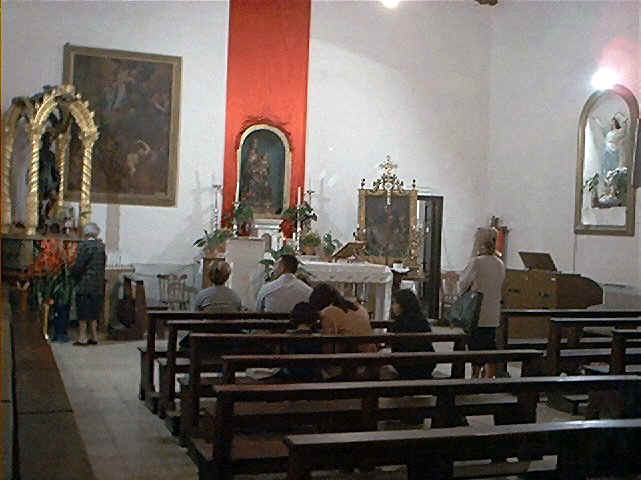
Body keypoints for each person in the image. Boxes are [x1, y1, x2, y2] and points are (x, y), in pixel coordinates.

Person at [458, 227, 505, 378]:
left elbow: (463, 283)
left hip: (477, 312)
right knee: (489, 343)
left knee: (475, 345)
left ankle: (475, 374)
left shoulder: (477, 262)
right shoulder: (499, 263)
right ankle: (490, 374)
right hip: (492, 311)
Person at [310, 283, 376, 379]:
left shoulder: (328, 312)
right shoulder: (359, 308)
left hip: (351, 358)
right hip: (369, 354)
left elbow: (328, 346)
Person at [70, 222, 106, 346]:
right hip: (97, 284)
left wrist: (72, 274)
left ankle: (82, 337)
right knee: (94, 311)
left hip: (85, 283)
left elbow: (80, 266)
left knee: (83, 311)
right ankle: (95, 337)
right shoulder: (101, 246)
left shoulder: (84, 246)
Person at [390, 288, 435, 379]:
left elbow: (395, 348)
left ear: (403, 305)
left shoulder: (399, 323)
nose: (392, 306)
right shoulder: (422, 320)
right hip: (427, 365)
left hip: (405, 366)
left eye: (395, 303)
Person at [278, 302, 321, 381]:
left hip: (291, 373)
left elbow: (283, 354)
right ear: (314, 319)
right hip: (312, 374)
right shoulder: (319, 337)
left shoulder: (287, 336)